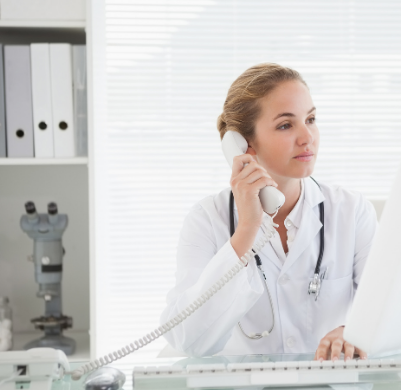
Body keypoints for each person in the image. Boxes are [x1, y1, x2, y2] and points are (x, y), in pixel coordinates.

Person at [162, 63, 377, 361]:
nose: (308, 137)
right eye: (286, 125)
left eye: (311, 119)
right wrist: (247, 229)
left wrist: (354, 331)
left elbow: (393, 310)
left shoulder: (352, 212)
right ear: (243, 145)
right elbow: (189, 341)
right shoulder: (207, 220)